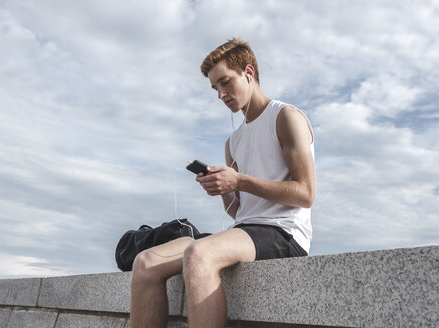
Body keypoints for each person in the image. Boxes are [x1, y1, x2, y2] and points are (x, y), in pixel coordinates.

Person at [130, 38, 316, 328]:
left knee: (198, 253)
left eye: (225, 82)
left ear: (248, 73)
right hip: (243, 231)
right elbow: (238, 211)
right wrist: (221, 188)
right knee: (145, 264)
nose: (221, 94)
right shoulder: (234, 141)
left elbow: (305, 194)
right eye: (215, 88)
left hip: (284, 234)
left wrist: (239, 180)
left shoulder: (286, 117)